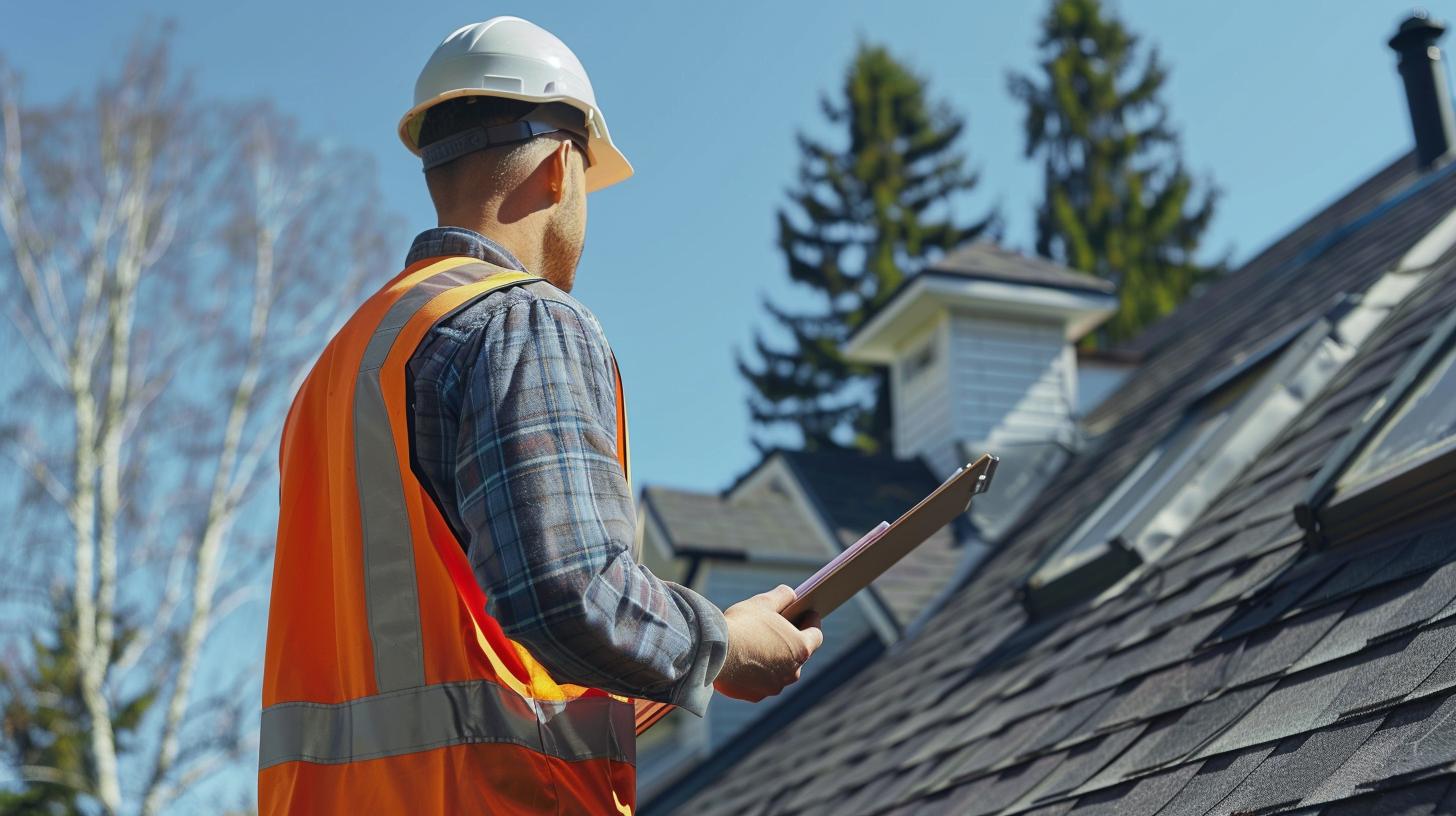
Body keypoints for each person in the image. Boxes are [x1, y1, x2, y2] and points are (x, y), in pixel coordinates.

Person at [257, 17, 824, 815]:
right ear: (562, 167)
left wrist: (682, 664)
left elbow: (481, 673)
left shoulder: (340, 370)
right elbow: (566, 594)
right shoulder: (520, 320)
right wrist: (724, 647)